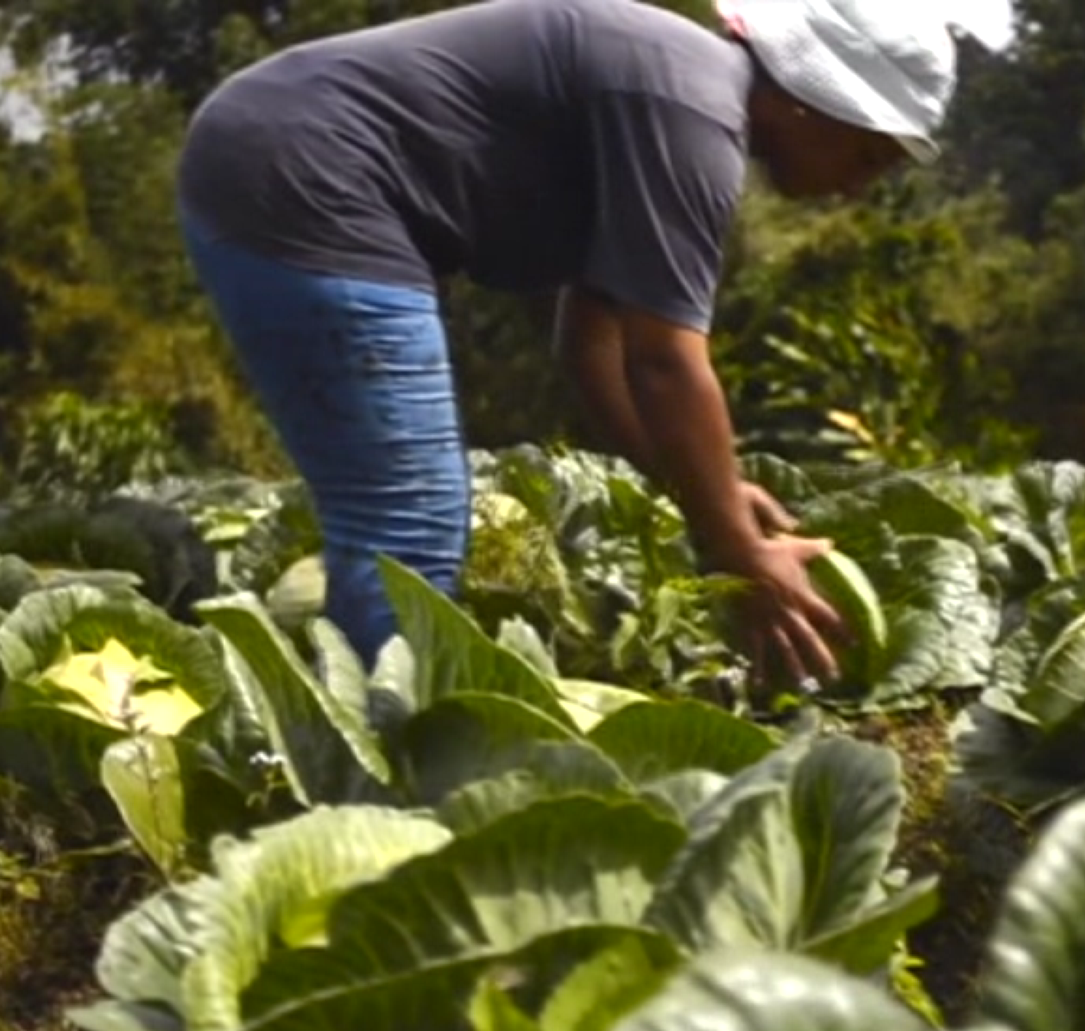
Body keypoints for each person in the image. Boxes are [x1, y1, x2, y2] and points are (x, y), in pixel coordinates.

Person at [174, 0, 984, 686]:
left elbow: (590, 346)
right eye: (867, 153)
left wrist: (698, 491)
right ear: (813, 100)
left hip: (272, 151)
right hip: (310, 174)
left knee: (402, 521)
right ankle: (366, 780)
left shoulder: (680, 91)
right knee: (409, 525)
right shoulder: (694, 113)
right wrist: (737, 548)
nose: (858, 185)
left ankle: (344, 740)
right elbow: (666, 363)